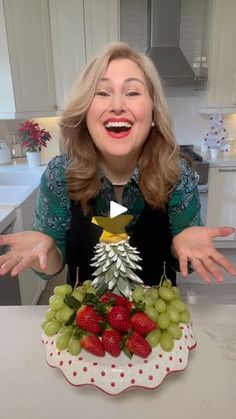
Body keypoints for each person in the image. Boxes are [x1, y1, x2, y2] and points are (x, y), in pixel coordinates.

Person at [0, 42, 235, 288]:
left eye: (132, 92)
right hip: (87, 320)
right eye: (102, 93)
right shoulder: (60, 174)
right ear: (85, 111)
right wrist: (44, 252)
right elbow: (52, 265)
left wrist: (182, 245)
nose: (117, 105)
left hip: (153, 322)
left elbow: (181, 260)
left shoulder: (177, 173)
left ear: (153, 111)